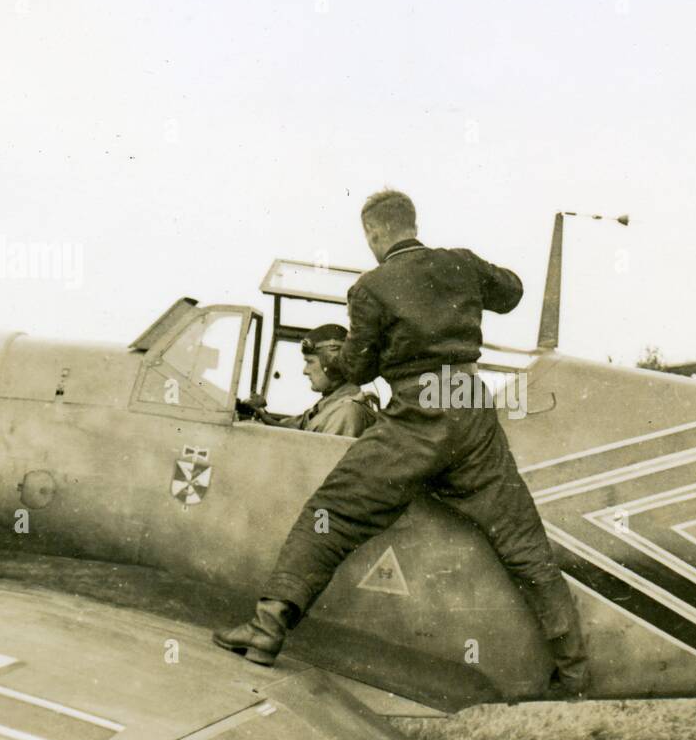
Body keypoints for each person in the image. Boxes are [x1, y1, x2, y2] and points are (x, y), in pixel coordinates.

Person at [214, 189, 589, 697]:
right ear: (412, 223)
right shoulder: (460, 264)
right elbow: (512, 292)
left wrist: (351, 354)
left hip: (415, 418)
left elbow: (361, 367)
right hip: (471, 414)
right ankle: (574, 675)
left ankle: (266, 631)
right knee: (524, 546)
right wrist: (471, 281)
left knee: (332, 513)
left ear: (373, 233)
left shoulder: (371, 288)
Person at [239, 324, 375, 437]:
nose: (305, 370)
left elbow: (320, 464)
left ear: (333, 364)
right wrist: (261, 414)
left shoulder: (346, 412)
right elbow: (296, 428)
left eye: (310, 362)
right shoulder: (329, 403)